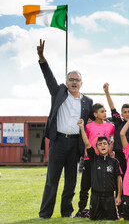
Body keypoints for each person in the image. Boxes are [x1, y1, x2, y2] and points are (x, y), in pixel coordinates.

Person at [37, 39, 93, 219]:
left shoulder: (87, 102)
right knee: (52, 180)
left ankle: (66, 213)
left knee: (71, 181)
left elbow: (96, 119)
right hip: (58, 141)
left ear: (82, 83)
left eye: (77, 80)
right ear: (67, 81)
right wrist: (42, 58)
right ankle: (45, 214)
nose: (74, 82)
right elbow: (49, 77)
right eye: (71, 79)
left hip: (75, 144)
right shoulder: (59, 92)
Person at [75, 103, 115, 218]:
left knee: (102, 185)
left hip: (104, 160)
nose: (105, 113)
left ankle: (104, 208)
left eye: (105, 111)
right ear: (95, 114)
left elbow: (116, 135)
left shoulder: (110, 125)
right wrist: (85, 150)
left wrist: (111, 146)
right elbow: (84, 138)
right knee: (85, 186)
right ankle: (81, 210)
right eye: (102, 111)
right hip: (90, 159)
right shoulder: (88, 126)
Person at [77, 119, 122, 220]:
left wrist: (118, 196)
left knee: (111, 220)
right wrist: (81, 128)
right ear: (96, 148)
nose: (102, 146)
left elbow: (119, 179)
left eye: (104, 143)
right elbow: (87, 143)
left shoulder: (114, 162)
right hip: (96, 197)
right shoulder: (93, 159)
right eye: (100, 144)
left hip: (110, 197)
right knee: (94, 220)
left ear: (109, 146)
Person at [103, 83, 129, 175]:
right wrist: (107, 92)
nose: (127, 114)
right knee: (119, 177)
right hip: (119, 155)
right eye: (125, 112)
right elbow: (112, 107)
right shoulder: (118, 123)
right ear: (121, 115)